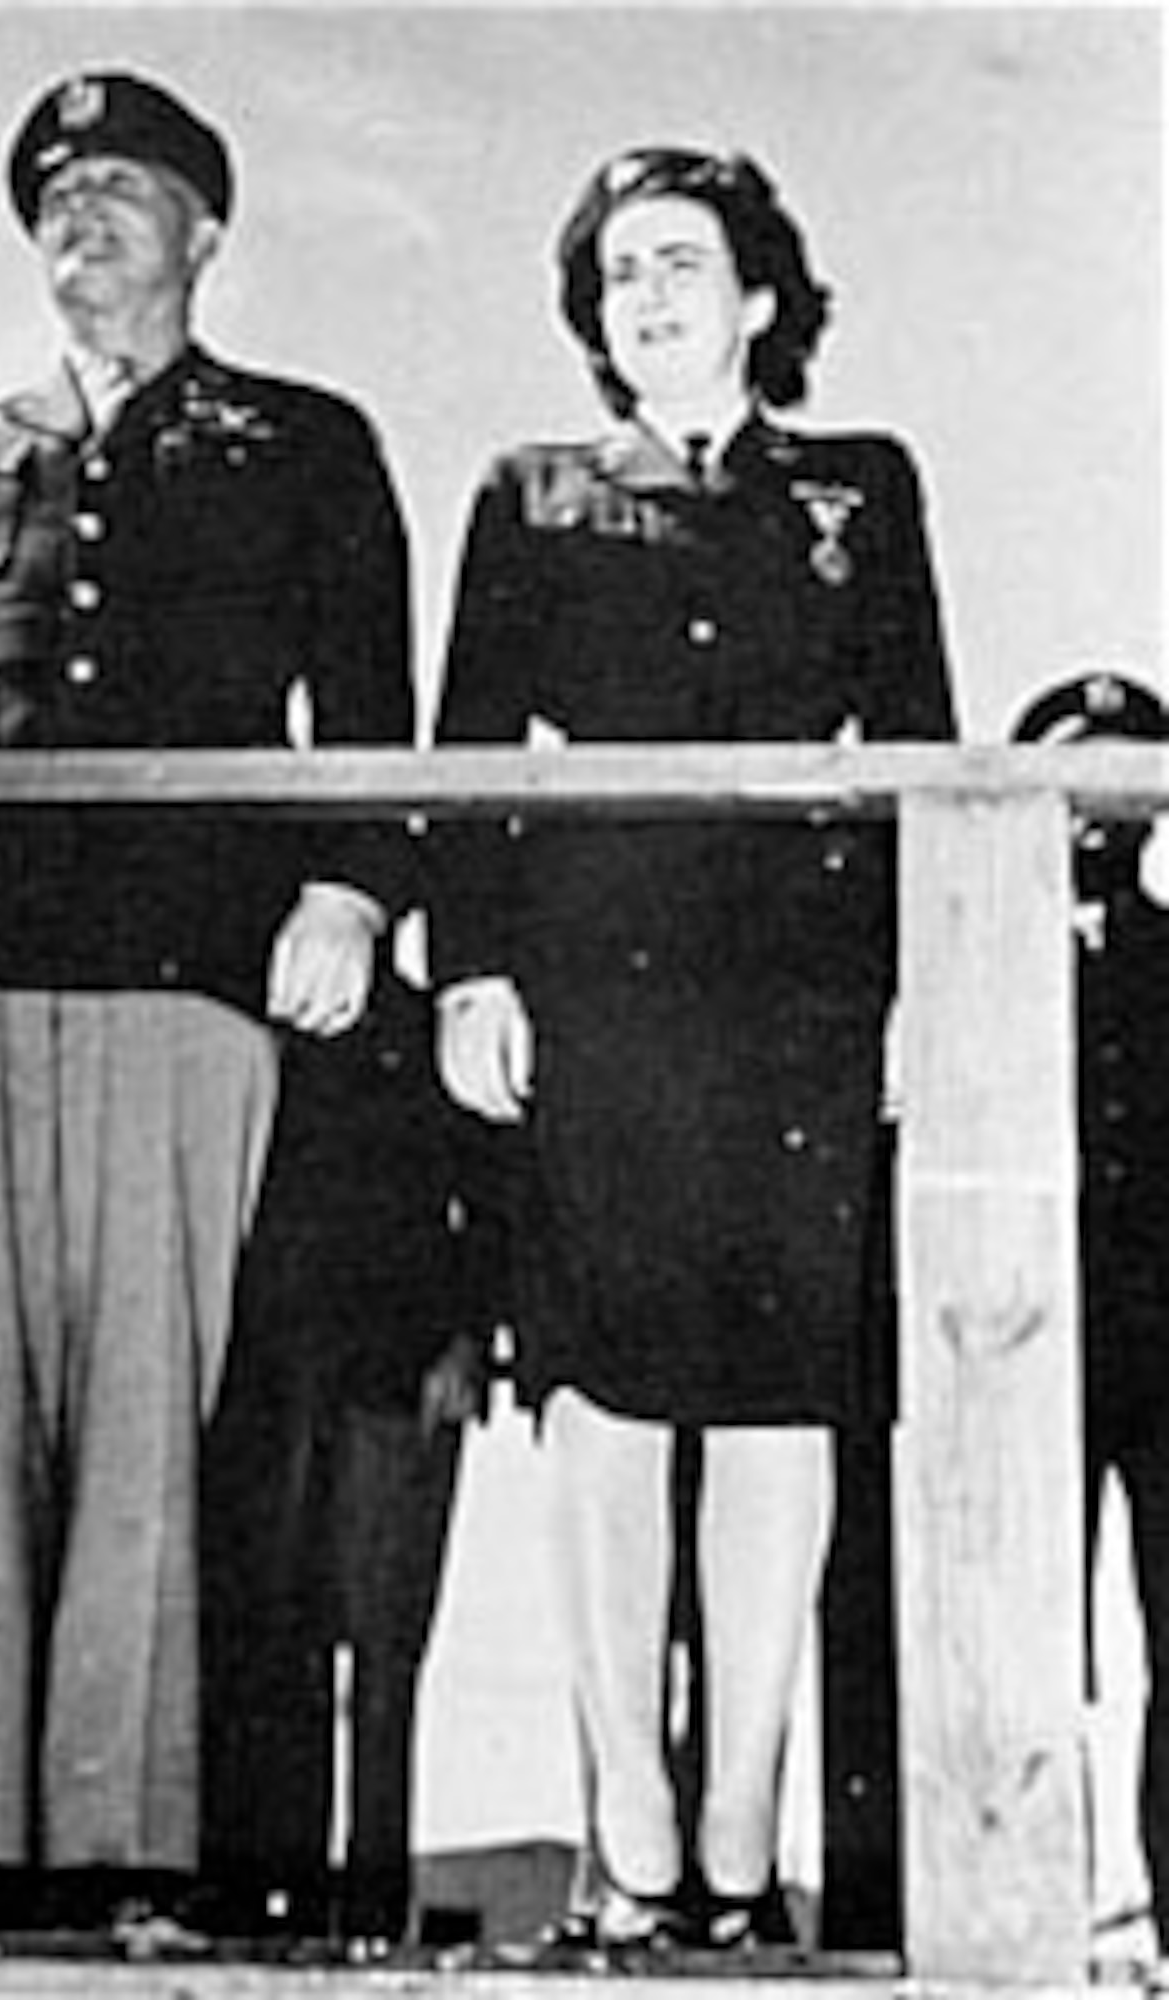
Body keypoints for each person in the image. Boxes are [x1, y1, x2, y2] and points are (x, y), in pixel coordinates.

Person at [0, 70, 412, 1937]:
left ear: (208, 231)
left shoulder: (302, 441)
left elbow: (366, 701)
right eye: (57, 197)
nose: (85, 220)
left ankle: (129, 1839)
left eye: (127, 191)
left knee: (146, 1411)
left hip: (189, 967)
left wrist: (352, 889)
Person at [431, 145, 956, 1953]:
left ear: (758, 297)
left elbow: (922, 749)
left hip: (802, 1008)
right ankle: (631, 1850)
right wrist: (475, 974)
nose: (645, 297)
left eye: (681, 264)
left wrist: (919, 991)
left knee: (776, 1415)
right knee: (605, 1410)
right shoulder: (531, 494)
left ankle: (737, 1858)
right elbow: (472, 749)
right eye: (615, 274)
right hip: (605, 1002)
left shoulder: (864, 490)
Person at [197, 962, 498, 1953]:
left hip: (398, 1369)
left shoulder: (429, 1014)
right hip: (267, 1369)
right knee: (266, 1636)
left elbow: (487, 1180)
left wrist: (463, 1339)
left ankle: (374, 1898)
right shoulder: (249, 992)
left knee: (383, 1648)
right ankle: (260, 1886)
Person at [1011, 669, 1169, 1956]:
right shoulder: (971, 960)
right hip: (1022, 1352)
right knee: (1017, 1649)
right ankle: (1024, 1907)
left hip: (1162, 1357)